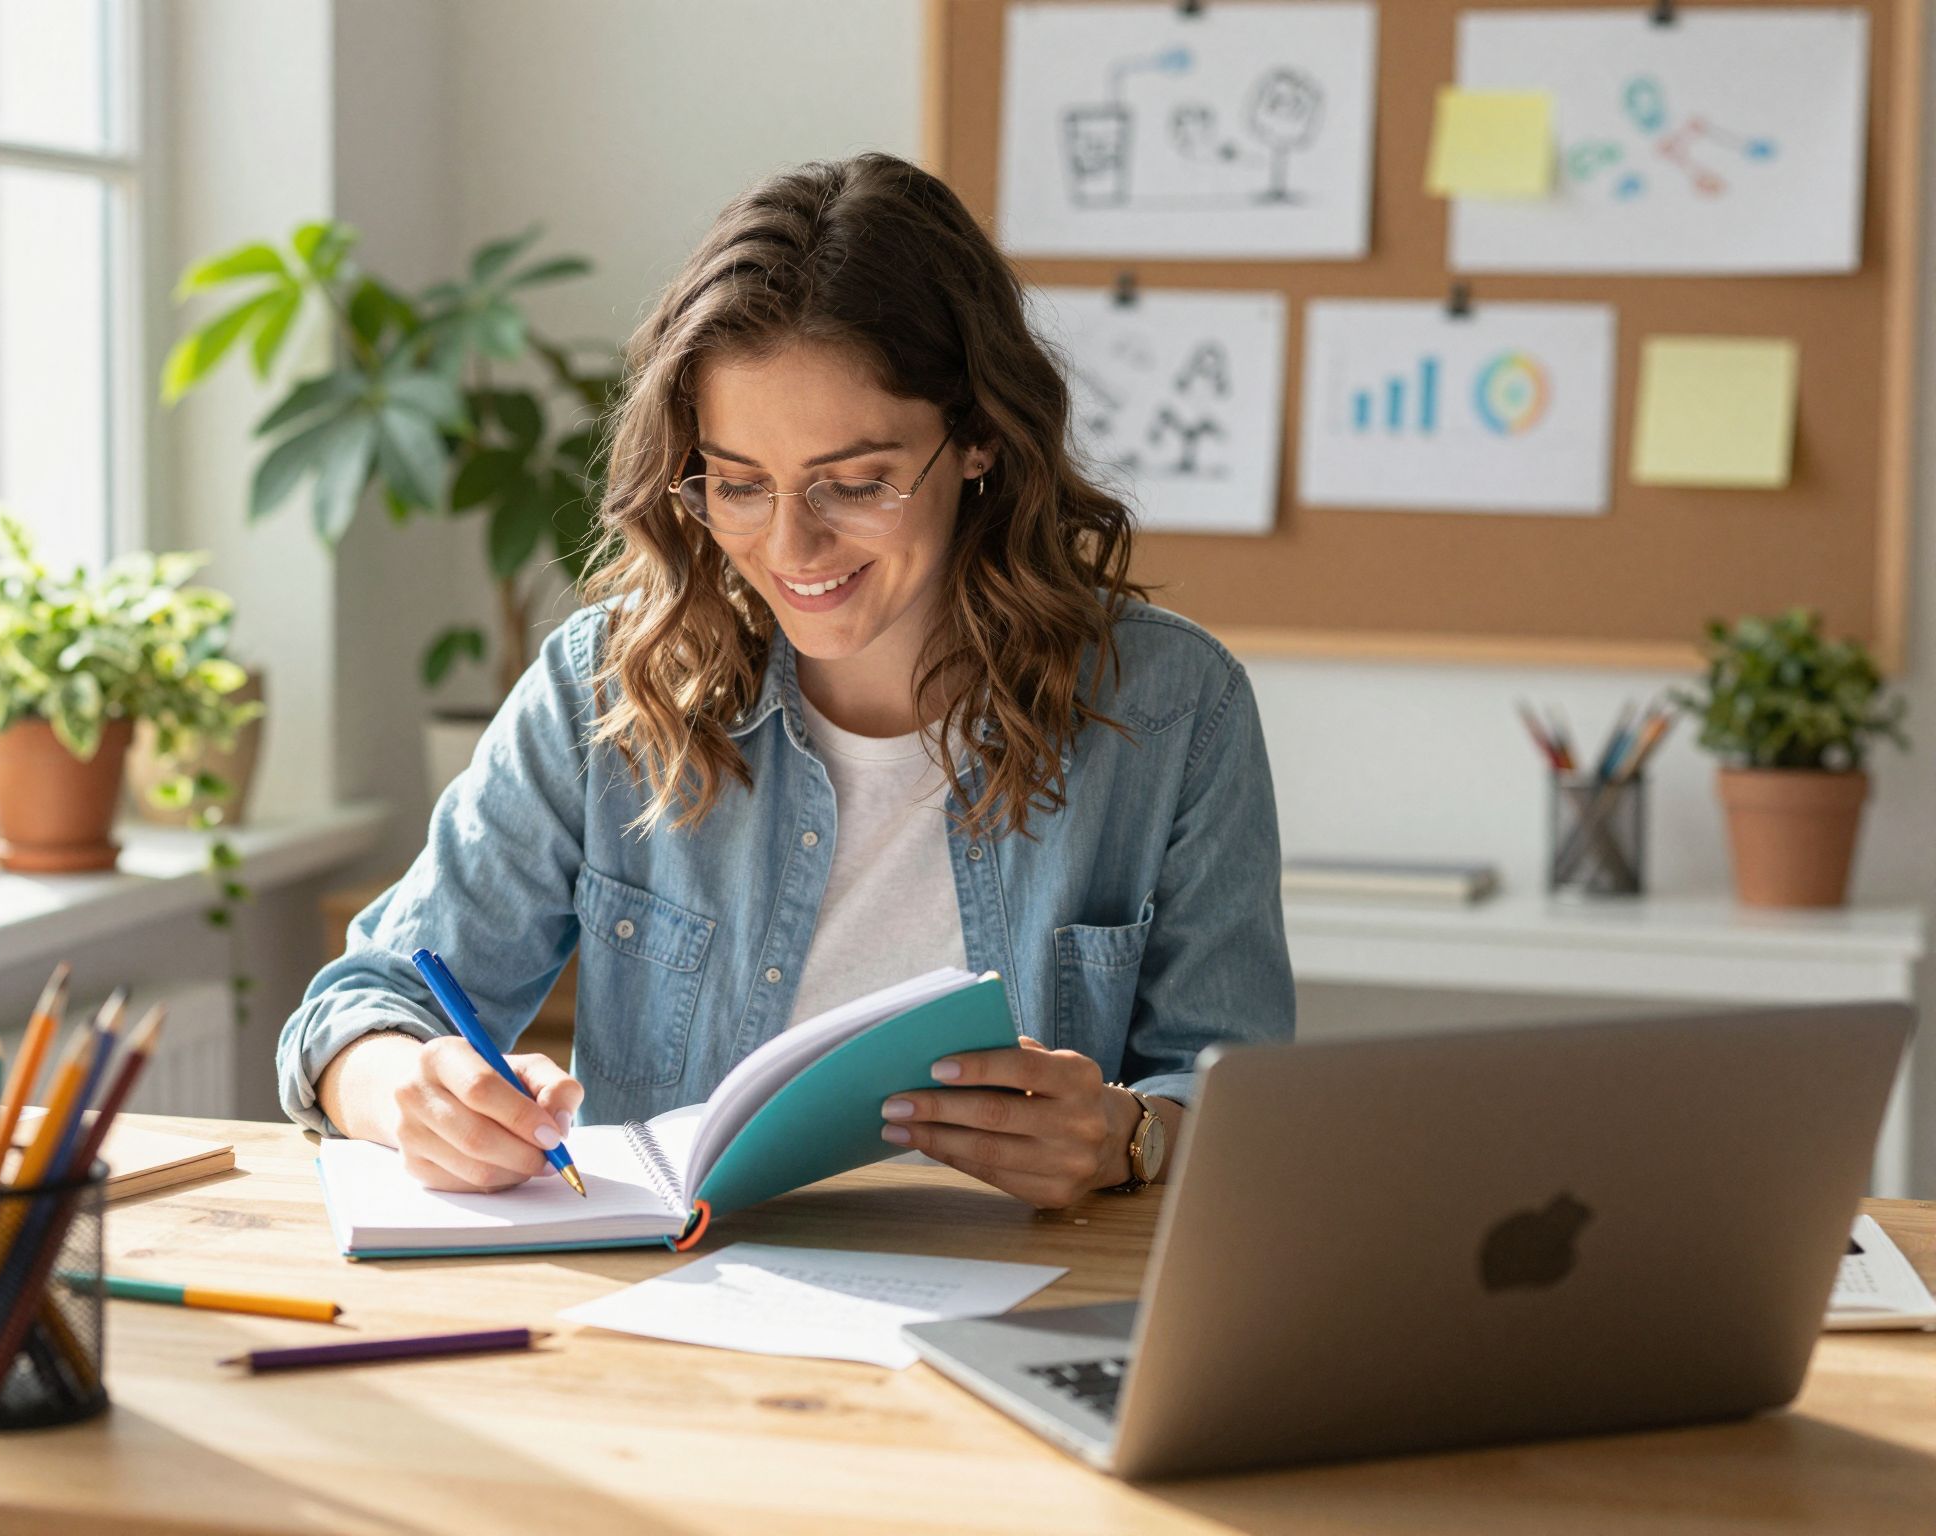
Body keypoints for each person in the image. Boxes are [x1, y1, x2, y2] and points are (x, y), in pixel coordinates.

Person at [277, 152, 1294, 1209]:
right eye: (738, 483)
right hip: (687, 1315)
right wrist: (407, 1086)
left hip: (1023, 1311)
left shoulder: (1170, 707)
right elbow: (358, 1006)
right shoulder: (606, 688)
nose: (791, 544)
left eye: (854, 481)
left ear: (981, 437)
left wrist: (1129, 1138)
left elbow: (1238, 1104)